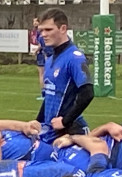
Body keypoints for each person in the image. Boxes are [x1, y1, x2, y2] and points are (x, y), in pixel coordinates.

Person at [32, 8, 94, 145]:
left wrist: (65, 120)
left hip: (70, 132)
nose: (43, 35)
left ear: (63, 28)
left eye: (48, 30)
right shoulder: (50, 59)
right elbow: (49, 96)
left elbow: (87, 92)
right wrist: (38, 121)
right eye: (41, 30)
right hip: (50, 131)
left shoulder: (74, 57)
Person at [29, 17, 50, 100]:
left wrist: (35, 51)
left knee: (42, 74)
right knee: (44, 73)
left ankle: (44, 93)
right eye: (33, 22)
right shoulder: (37, 32)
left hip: (42, 54)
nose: (34, 23)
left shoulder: (40, 33)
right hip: (44, 54)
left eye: (35, 22)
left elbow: (41, 44)